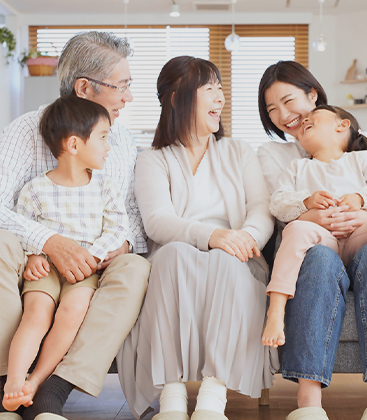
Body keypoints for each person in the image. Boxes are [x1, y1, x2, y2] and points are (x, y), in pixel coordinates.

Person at [0, 32, 151, 420]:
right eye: (123, 86)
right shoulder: (25, 130)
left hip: (95, 259)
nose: (128, 97)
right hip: (34, 261)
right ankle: (6, 390)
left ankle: (52, 389)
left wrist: (118, 247)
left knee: (135, 266)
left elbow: (130, 217)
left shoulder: (119, 142)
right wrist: (47, 242)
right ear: (85, 87)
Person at [117, 56, 277, 420]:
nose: (220, 98)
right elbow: (158, 221)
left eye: (221, 89)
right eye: (210, 89)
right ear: (177, 98)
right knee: (173, 254)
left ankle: (212, 400)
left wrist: (243, 239)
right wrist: (214, 235)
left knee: (226, 259)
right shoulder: (153, 159)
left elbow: (261, 208)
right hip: (176, 260)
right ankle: (171, 400)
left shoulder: (238, 151)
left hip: (237, 255)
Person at [257, 60, 367, 420]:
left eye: (289, 101)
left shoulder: (365, 145)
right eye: (271, 109)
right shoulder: (277, 156)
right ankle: (308, 403)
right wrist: (311, 213)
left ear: (313, 95)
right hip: (310, 248)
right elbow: (277, 210)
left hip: (363, 238)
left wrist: (360, 211)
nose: (283, 115)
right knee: (322, 261)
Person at [2, 95, 130, 412]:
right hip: (46, 271)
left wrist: (91, 258)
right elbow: (22, 227)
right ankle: (14, 382)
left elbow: (117, 230)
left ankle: (37, 380)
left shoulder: (106, 186)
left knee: (72, 313)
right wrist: (33, 255)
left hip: (86, 273)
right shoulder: (35, 189)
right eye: (102, 138)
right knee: (36, 314)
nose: (108, 147)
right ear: (74, 144)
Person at [262, 105, 367, 351]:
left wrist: (360, 199)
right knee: (294, 230)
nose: (305, 119)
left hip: (358, 240)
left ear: (342, 125)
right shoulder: (297, 167)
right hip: (322, 243)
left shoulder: (361, 159)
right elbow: (277, 204)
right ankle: (275, 312)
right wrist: (305, 203)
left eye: (313, 117)